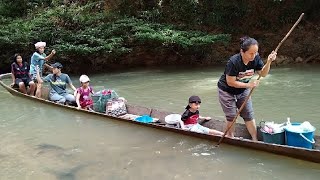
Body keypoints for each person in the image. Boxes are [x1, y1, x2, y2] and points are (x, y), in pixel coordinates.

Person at [217, 36, 277, 141]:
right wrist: (249, 85)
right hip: (227, 91)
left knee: (248, 114)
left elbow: (262, 74)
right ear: (242, 51)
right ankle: (230, 137)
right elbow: (230, 82)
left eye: (256, 53)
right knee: (232, 116)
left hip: (243, 90)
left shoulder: (256, 58)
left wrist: (268, 62)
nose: (253, 56)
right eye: (251, 53)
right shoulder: (233, 62)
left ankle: (254, 139)